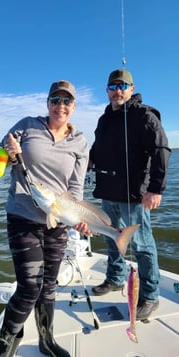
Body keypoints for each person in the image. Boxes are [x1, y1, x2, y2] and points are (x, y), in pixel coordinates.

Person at [0, 80, 89, 357]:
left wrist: (79, 219)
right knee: (29, 287)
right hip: (23, 215)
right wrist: (8, 155)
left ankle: (46, 339)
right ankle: (4, 346)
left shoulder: (80, 142)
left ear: (74, 107)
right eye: (55, 100)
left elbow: (76, 189)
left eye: (66, 101)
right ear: (47, 104)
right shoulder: (27, 125)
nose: (61, 105)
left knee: (48, 286)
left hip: (57, 220)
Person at [89, 69, 171, 320]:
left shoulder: (144, 116)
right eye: (113, 86)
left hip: (135, 195)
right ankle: (114, 278)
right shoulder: (104, 120)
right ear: (107, 91)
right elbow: (96, 150)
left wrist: (155, 189)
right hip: (108, 192)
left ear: (132, 89)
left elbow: (161, 150)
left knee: (142, 245)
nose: (117, 91)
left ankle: (150, 295)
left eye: (123, 86)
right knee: (111, 237)